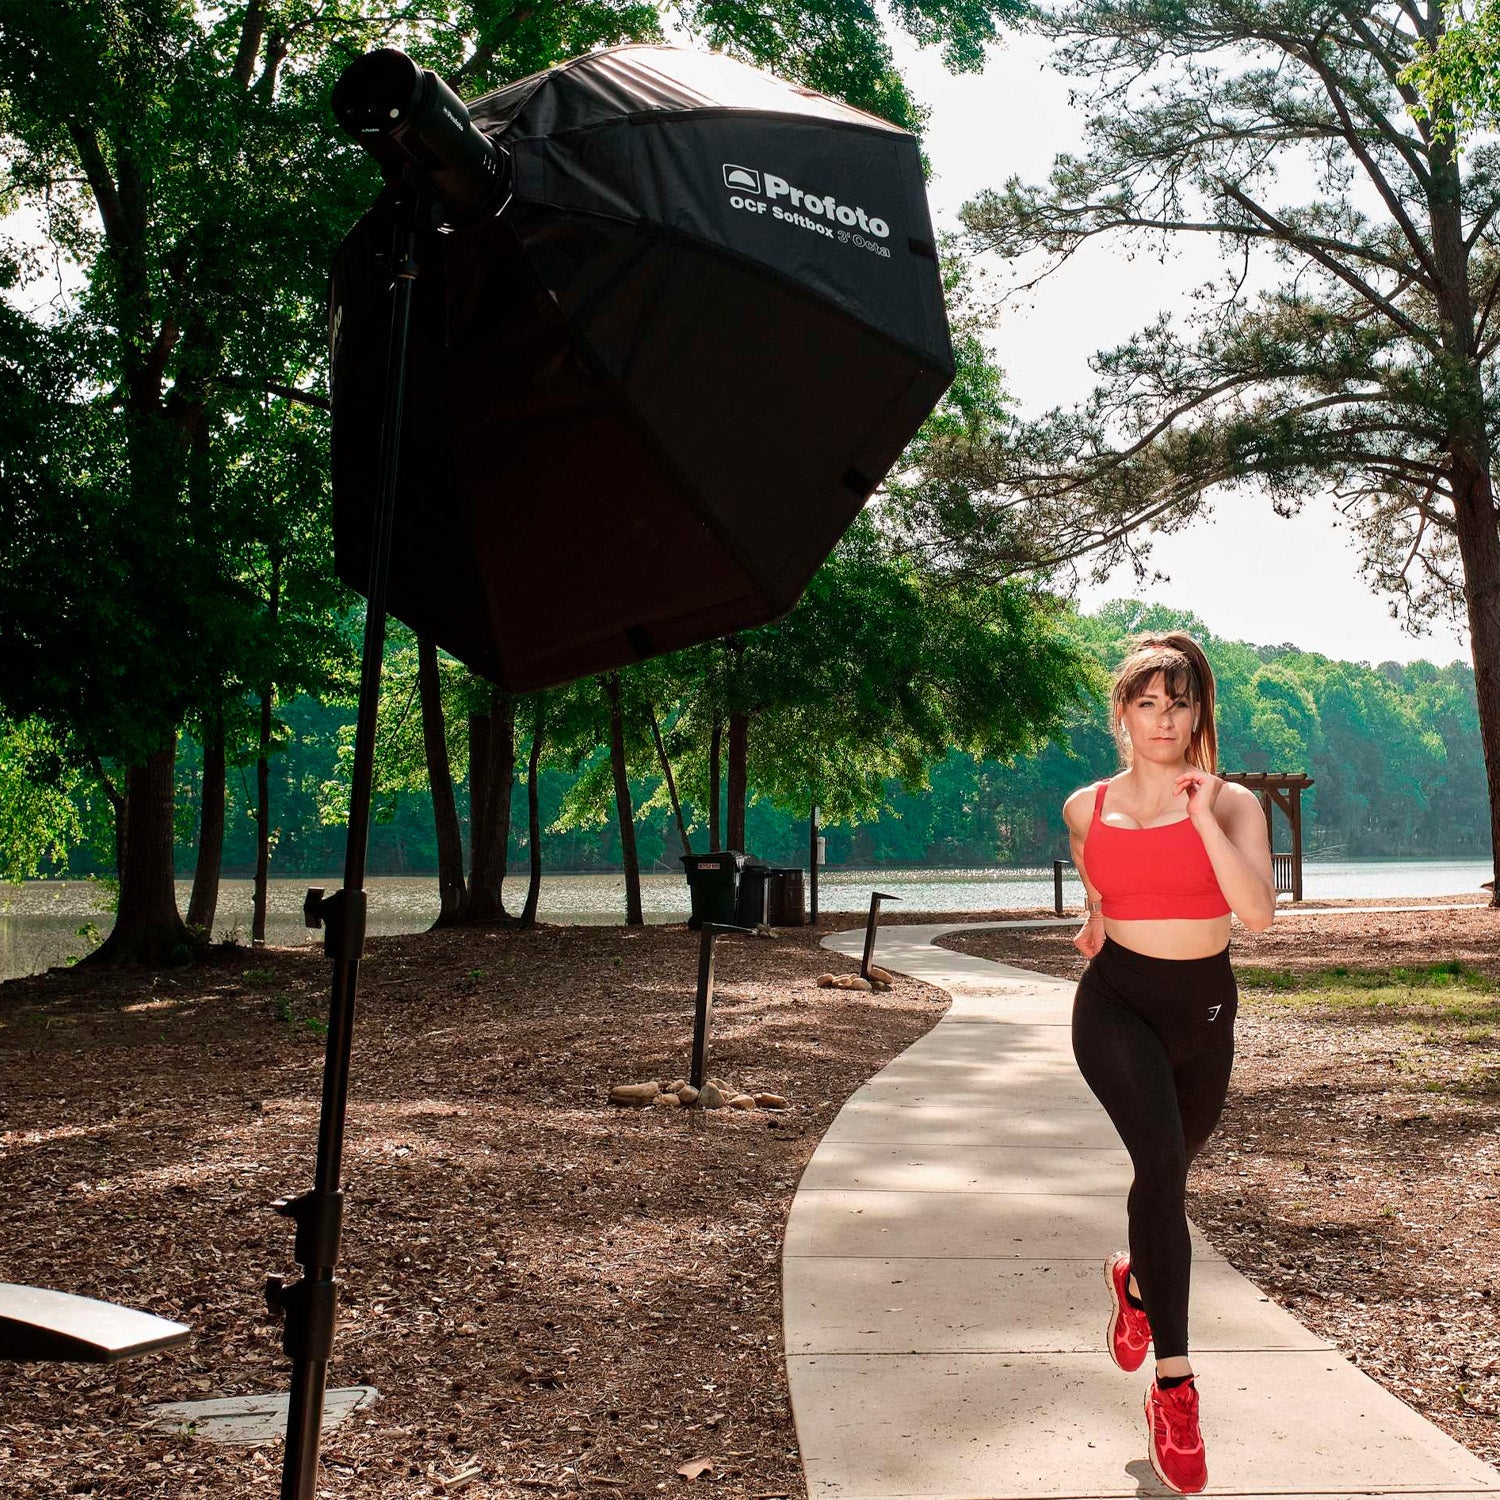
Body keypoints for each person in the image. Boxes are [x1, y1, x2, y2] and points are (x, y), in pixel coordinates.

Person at [1061, 631, 1274, 1496]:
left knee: (1168, 1179)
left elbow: (1257, 914)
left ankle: (1137, 1285)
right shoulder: (1086, 808)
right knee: (1158, 1168)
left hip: (1205, 1014)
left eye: (1178, 704)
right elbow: (1101, 886)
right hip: (1114, 1006)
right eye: (1146, 703)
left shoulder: (1232, 804)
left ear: (1197, 715)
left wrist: (1199, 821)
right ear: (1122, 712)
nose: (1162, 719)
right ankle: (1176, 1390)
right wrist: (1096, 920)